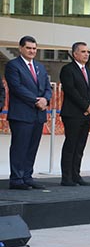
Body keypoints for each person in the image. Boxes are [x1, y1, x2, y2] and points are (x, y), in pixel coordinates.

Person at [5, 35, 52, 190]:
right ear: (20, 48)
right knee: (20, 147)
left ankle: (27, 176)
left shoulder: (40, 67)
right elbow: (17, 87)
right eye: (28, 48)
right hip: (21, 114)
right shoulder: (13, 65)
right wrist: (36, 101)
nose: (32, 51)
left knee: (32, 147)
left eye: (34, 48)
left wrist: (45, 99)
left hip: (38, 115)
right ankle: (17, 179)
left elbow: (47, 87)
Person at [59, 42, 90, 186]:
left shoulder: (89, 71)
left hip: (86, 114)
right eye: (83, 51)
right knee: (71, 144)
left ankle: (76, 174)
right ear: (75, 54)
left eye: (87, 52)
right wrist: (85, 106)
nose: (86, 54)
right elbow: (71, 91)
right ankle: (67, 177)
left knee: (80, 145)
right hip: (73, 114)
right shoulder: (68, 70)